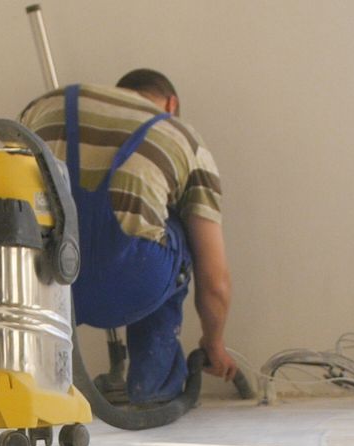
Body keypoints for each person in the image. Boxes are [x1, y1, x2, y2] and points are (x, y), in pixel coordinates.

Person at [20, 70, 236, 406]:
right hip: (129, 282)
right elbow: (216, 281)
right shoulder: (181, 135)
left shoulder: (45, 106)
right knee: (177, 228)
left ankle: (33, 384)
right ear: (172, 104)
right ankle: (154, 385)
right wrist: (214, 343)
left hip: (43, 282)